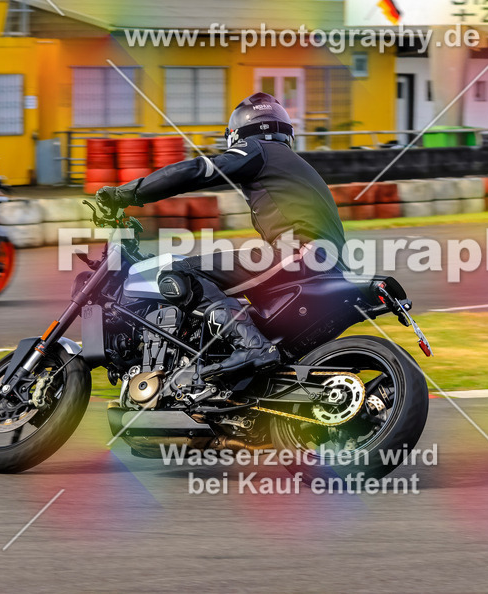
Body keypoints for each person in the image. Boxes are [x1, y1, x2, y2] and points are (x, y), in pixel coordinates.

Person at [96, 92, 347, 381]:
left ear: (238, 134)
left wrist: (128, 193)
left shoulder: (258, 149)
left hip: (302, 255)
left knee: (182, 273)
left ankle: (251, 347)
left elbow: (197, 171)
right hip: (326, 264)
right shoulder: (293, 165)